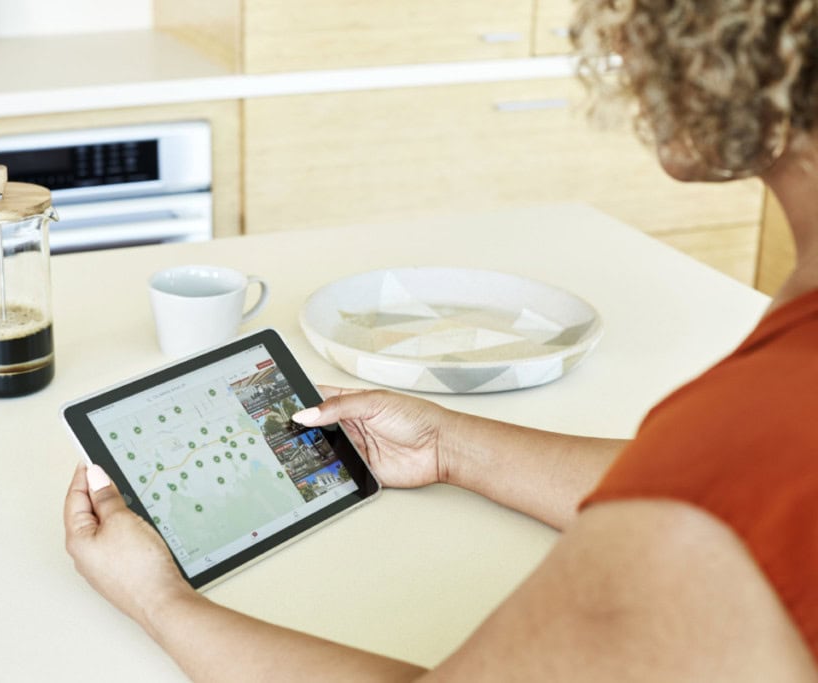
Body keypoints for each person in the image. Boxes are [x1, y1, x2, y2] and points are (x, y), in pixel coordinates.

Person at [64, 1, 818, 679]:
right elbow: (741, 497)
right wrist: (452, 447)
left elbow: (726, 485)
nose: (619, 37)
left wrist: (160, 600)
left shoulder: (761, 419)